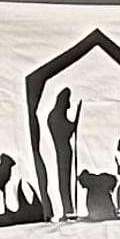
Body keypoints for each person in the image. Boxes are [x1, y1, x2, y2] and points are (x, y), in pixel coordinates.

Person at [44, 88, 83, 220]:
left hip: (64, 149)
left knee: (66, 180)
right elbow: (68, 130)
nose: (69, 104)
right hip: (63, 150)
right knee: (64, 179)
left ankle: (69, 207)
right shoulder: (56, 116)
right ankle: (67, 208)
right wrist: (76, 117)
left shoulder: (54, 115)